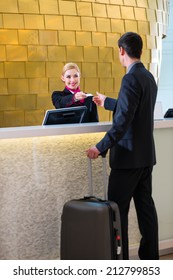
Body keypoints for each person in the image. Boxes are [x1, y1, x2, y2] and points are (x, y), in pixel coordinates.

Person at [86, 32, 159, 260]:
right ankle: (150, 262)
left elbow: (122, 122)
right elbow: (132, 108)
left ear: (121, 51)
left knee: (117, 214)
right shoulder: (148, 77)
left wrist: (100, 147)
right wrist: (107, 101)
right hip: (145, 158)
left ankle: (120, 265)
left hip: (127, 160)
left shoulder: (129, 79)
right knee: (146, 211)